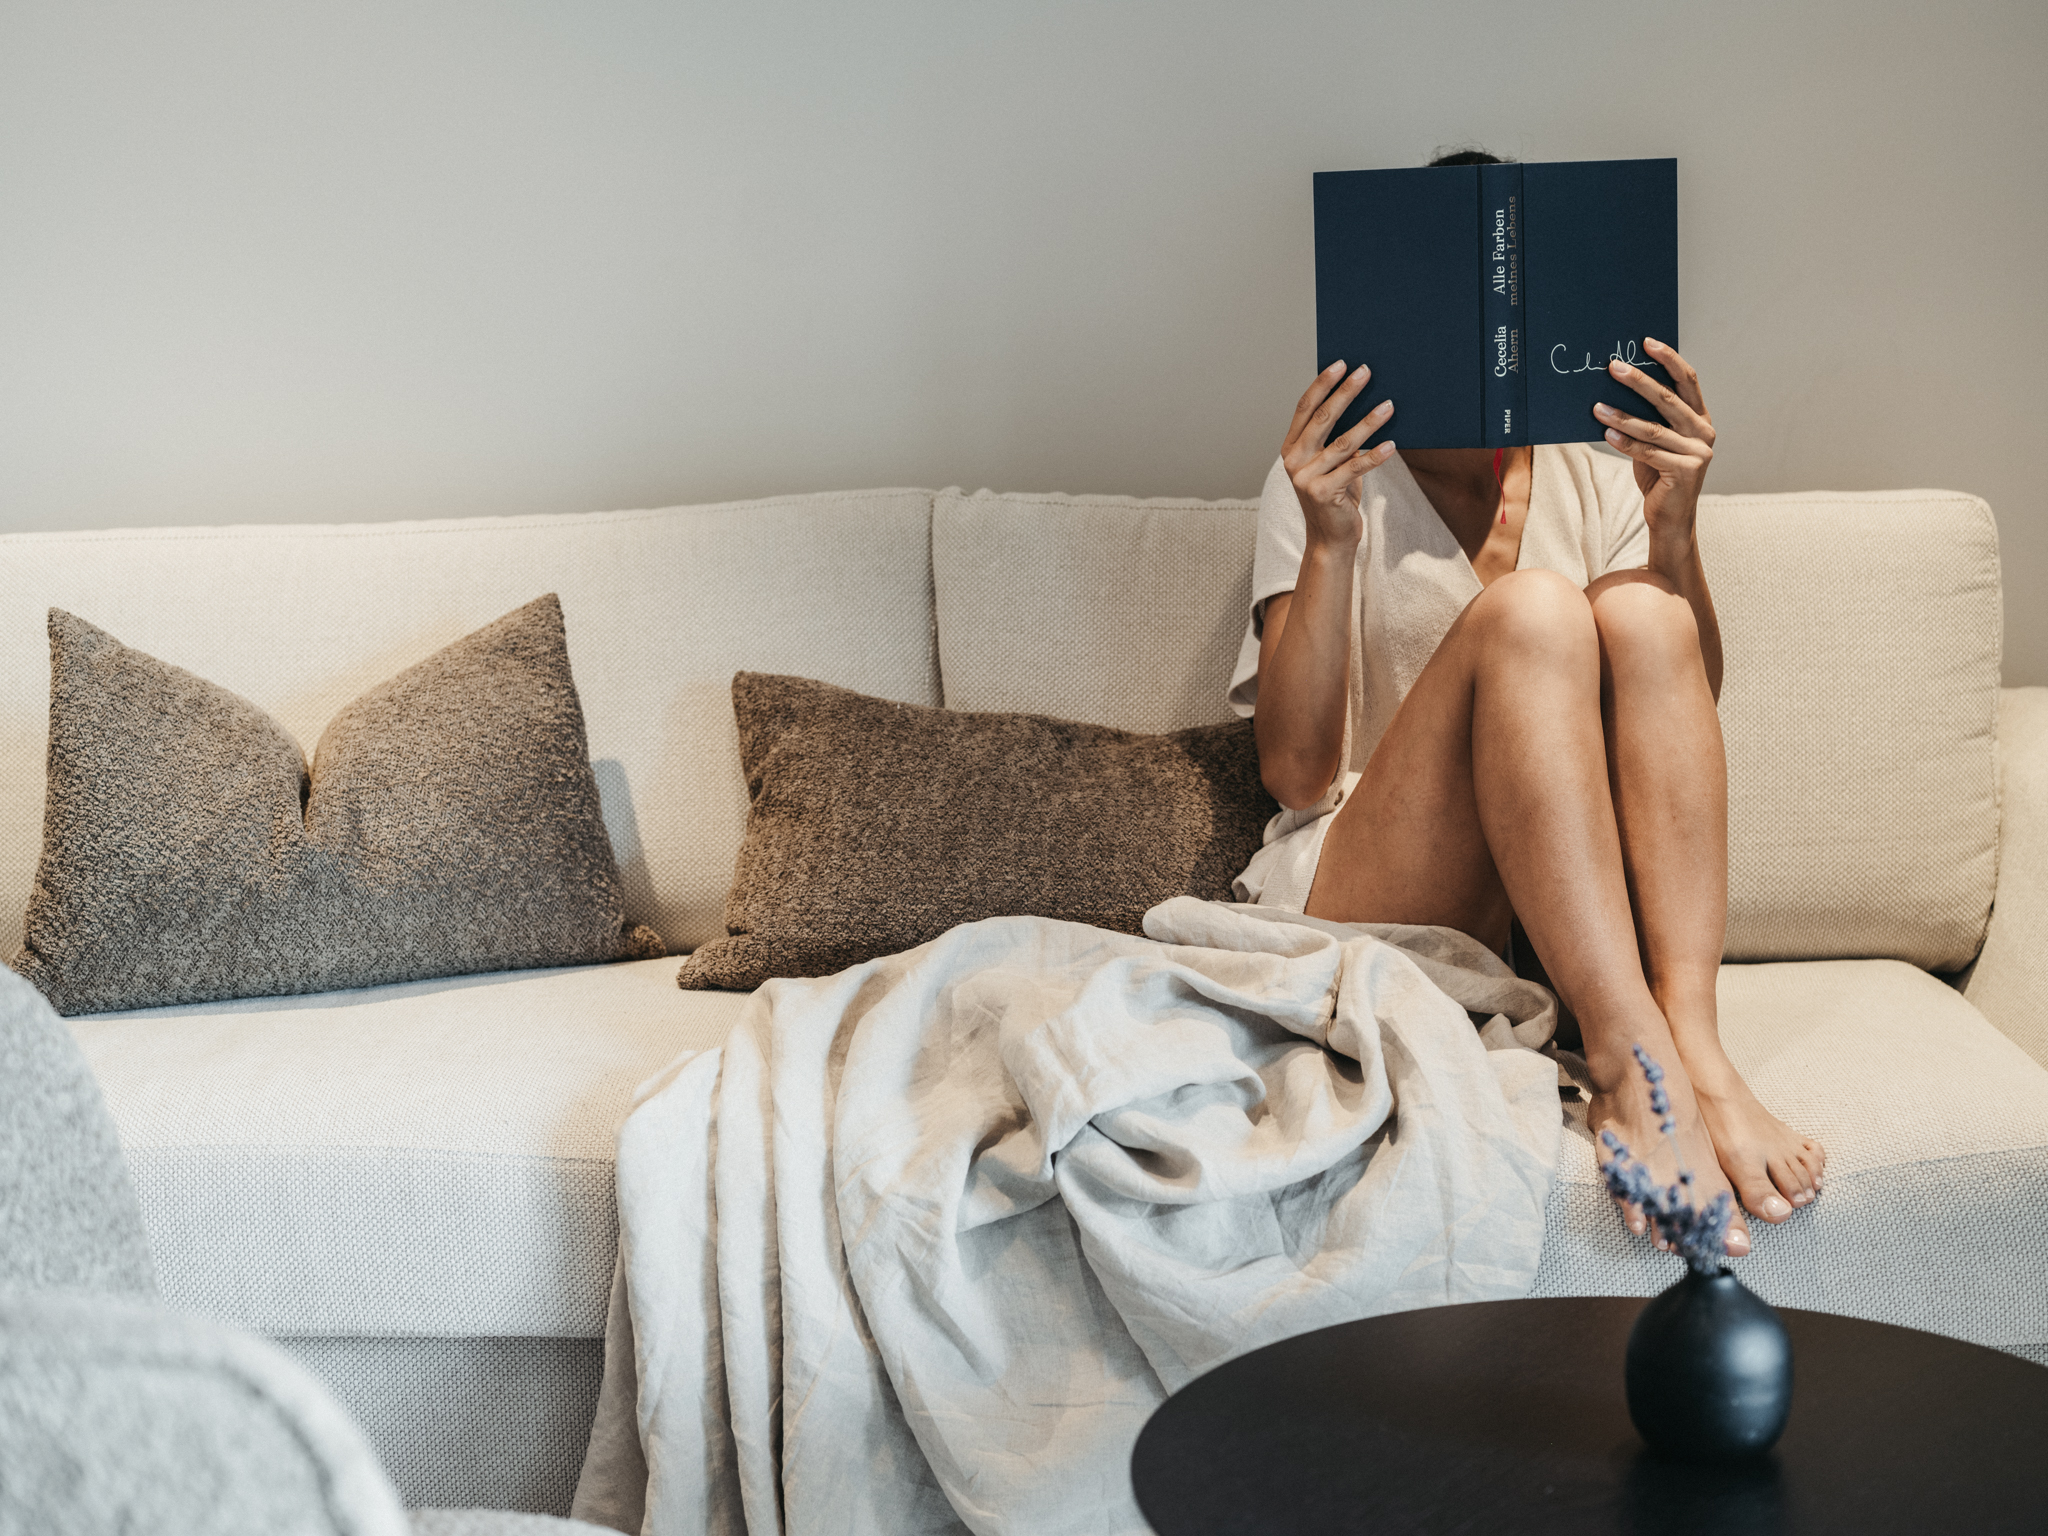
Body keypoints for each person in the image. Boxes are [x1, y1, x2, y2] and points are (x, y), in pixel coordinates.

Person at [1227, 156, 1824, 1256]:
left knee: (1643, 616)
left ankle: (1689, 1043)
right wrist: (1327, 537)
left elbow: (1684, 701)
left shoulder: (1591, 466)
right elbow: (1296, 774)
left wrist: (1675, 532)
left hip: (1554, 904)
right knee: (1535, 612)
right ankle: (1624, 1058)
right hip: (1376, 883)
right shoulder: (1326, 477)